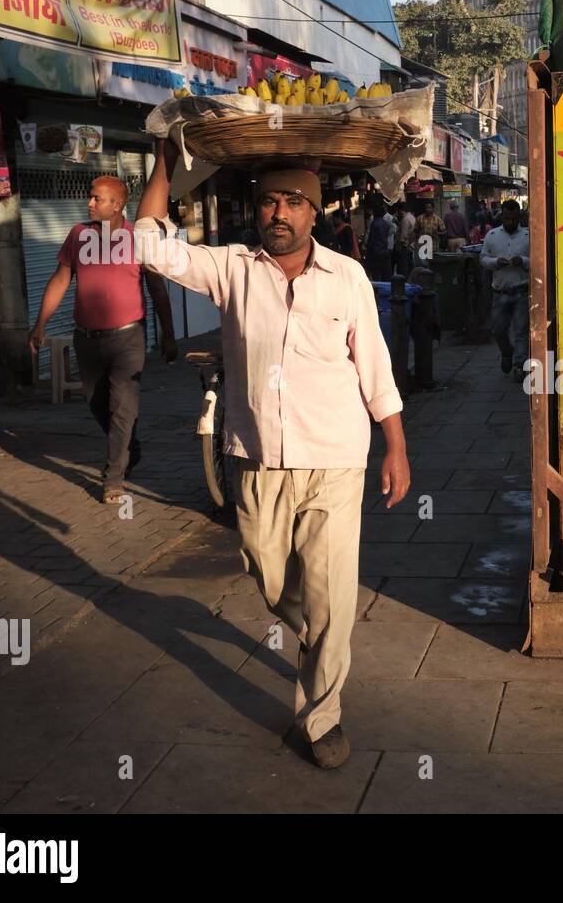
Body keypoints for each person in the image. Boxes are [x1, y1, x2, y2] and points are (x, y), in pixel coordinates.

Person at [134, 142, 410, 770]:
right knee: (269, 577)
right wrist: (161, 161)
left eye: (292, 202)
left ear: (314, 213)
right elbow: (149, 245)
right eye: (269, 201)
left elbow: (375, 367)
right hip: (257, 458)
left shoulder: (348, 277)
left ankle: (322, 717)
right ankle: (319, 634)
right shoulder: (233, 267)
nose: (279, 212)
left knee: (333, 597)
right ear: (256, 210)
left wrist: (395, 446)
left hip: (337, 457)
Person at [27, 175, 177, 504]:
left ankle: (113, 478)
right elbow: (60, 279)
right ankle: (130, 447)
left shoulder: (138, 239)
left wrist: (168, 334)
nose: (89, 203)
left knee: (123, 407)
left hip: (128, 339)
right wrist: (40, 324)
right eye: (90, 197)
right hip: (87, 339)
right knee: (97, 404)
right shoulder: (79, 235)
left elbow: (156, 288)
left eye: (97, 198)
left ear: (117, 204)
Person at [479, 199, 530, 382]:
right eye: (507, 218)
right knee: (499, 330)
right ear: (502, 216)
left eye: (513, 219)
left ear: (518, 217)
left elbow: (538, 262)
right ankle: (507, 353)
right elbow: (483, 258)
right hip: (500, 292)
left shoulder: (528, 236)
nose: (510, 222)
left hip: (521, 291)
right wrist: (495, 263)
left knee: (521, 331)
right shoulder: (492, 236)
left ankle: (519, 365)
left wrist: (523, 261)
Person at [364, 199, 393, 280]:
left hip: (376, 252)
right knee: (385, 274)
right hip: (385, 251)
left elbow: (371, 239)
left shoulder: (375, 223)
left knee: (376, 273)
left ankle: (377, 290)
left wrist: (368, 250)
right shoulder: (385, 223)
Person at [395, 201, 417, 272]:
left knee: (404, 268)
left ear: (401, 210)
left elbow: (403, 236)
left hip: (405, 247)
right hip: (411, 245)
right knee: (410, 266)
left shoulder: (405, 219)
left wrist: (400, 247)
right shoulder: (412, 217)